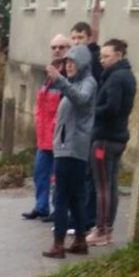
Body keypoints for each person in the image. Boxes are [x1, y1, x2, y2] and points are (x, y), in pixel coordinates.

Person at [42, 44, 96, 259]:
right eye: (67, 63)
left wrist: (60, 80)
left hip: (71, 149)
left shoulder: (87, 83)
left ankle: (58, 245)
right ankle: (80, 240)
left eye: (72, 62)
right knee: (74, 198)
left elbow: (81, 99)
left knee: (62, 197)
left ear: (82, 63)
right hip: (69, 148)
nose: (69, 66)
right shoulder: (76, 84)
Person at [86, 39, 136, 247]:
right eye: (101, 56)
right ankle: (107, 228)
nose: (102, 60)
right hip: (118, 136)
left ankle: (102, 229)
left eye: (106, 56)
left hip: (106, 138)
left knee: (103, 186)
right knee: (111, 184)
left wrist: (90, 112)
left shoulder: (116, 78)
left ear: (119, 55)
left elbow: (111, 108)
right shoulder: (127, 76)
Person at [22, 34, 69, 220]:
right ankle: (41, 206)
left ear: (68, 50)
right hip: (44, 137)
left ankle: (58, 211)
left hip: (58, 137)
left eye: (61, 47)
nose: (57, 50)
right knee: (40, 173)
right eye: (54, 47)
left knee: (57, 178)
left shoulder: (66, 75)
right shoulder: (48, 74)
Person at [69, 21, 102, 232]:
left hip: (91, 129)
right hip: (75, 129)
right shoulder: (73, 64)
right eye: (74, 38)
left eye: (80, 38)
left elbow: (84, 98)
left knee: (89, 176)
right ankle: (77, 217)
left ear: (89, 39)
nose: (76, 42)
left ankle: (88, 219)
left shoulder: (93, 66)